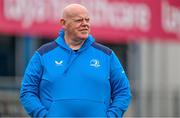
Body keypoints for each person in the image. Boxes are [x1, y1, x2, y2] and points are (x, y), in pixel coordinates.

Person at [20, 3, 131, 117]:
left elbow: (123, 92)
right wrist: (43, 115)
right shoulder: (43, 55)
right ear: (63, 23)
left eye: (87, 20)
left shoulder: (107, 55)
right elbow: (27, 92)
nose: (85, 24)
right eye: (79, 20)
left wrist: (111, 116)